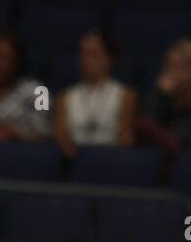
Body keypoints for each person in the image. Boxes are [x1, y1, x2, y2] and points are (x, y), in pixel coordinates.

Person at [53, 30, 137, 159]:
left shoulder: (125, 95)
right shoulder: (65, 97)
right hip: (74, 159)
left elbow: (125, 138)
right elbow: (61, 135)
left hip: (111, 159)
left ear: (109, 59)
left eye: (93, 54)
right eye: (83, 54)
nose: (86, 60)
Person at [139, 39, 191, 154]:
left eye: (179, 68)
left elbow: (180, 141)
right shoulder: (160, 97)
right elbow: (143, 129)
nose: (172, 74)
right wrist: (159, 96)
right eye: (169, 67)